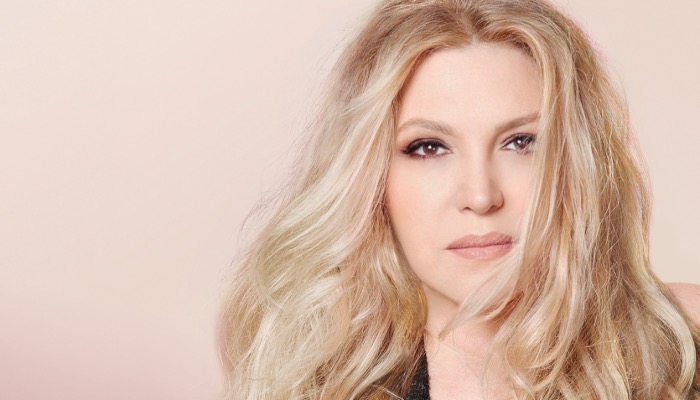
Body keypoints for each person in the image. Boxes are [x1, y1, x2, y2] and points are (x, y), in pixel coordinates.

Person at [218, 0, 700, 398]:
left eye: (522, 142)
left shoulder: (682, 345)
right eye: (428, 147)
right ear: (370, 180)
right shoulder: (315, 386)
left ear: (578, 164)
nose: (480, 196)